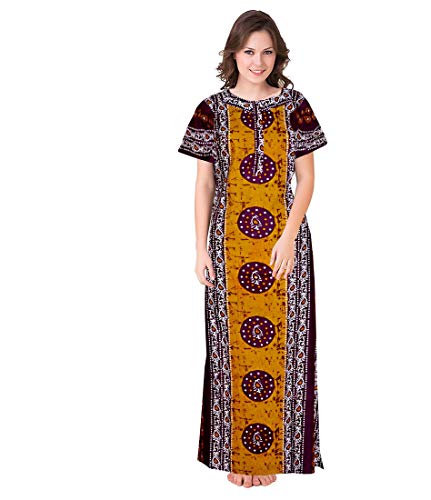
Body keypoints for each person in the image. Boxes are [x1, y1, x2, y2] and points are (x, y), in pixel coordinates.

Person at [178, 9, 328, 488]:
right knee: (231, 351)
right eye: (249, 51)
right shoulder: (211, 110)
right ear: (233, 54)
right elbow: (204, 184)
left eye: (267, 52)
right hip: (229, 248)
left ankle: (275, 457)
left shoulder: (296, 105)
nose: (258, 61)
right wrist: (200, 248)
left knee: (286, 349)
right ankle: (238, 456)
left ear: (278, 55)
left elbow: (307, 179)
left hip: (284, 247)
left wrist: (288, 236)